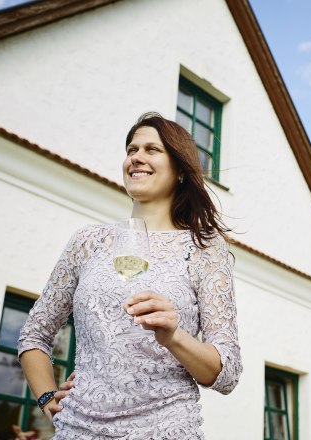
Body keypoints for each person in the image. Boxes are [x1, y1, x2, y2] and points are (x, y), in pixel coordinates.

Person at [18, 112, 241, 440]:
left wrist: (173, 336)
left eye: (152, 149)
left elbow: (228, 373)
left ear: (180, 169)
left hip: (164, 430)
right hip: (77, 430)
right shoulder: (87, 241)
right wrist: (48, 398)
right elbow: (34, 335)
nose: (137, 157)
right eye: (131, 149)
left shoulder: (204, 247)